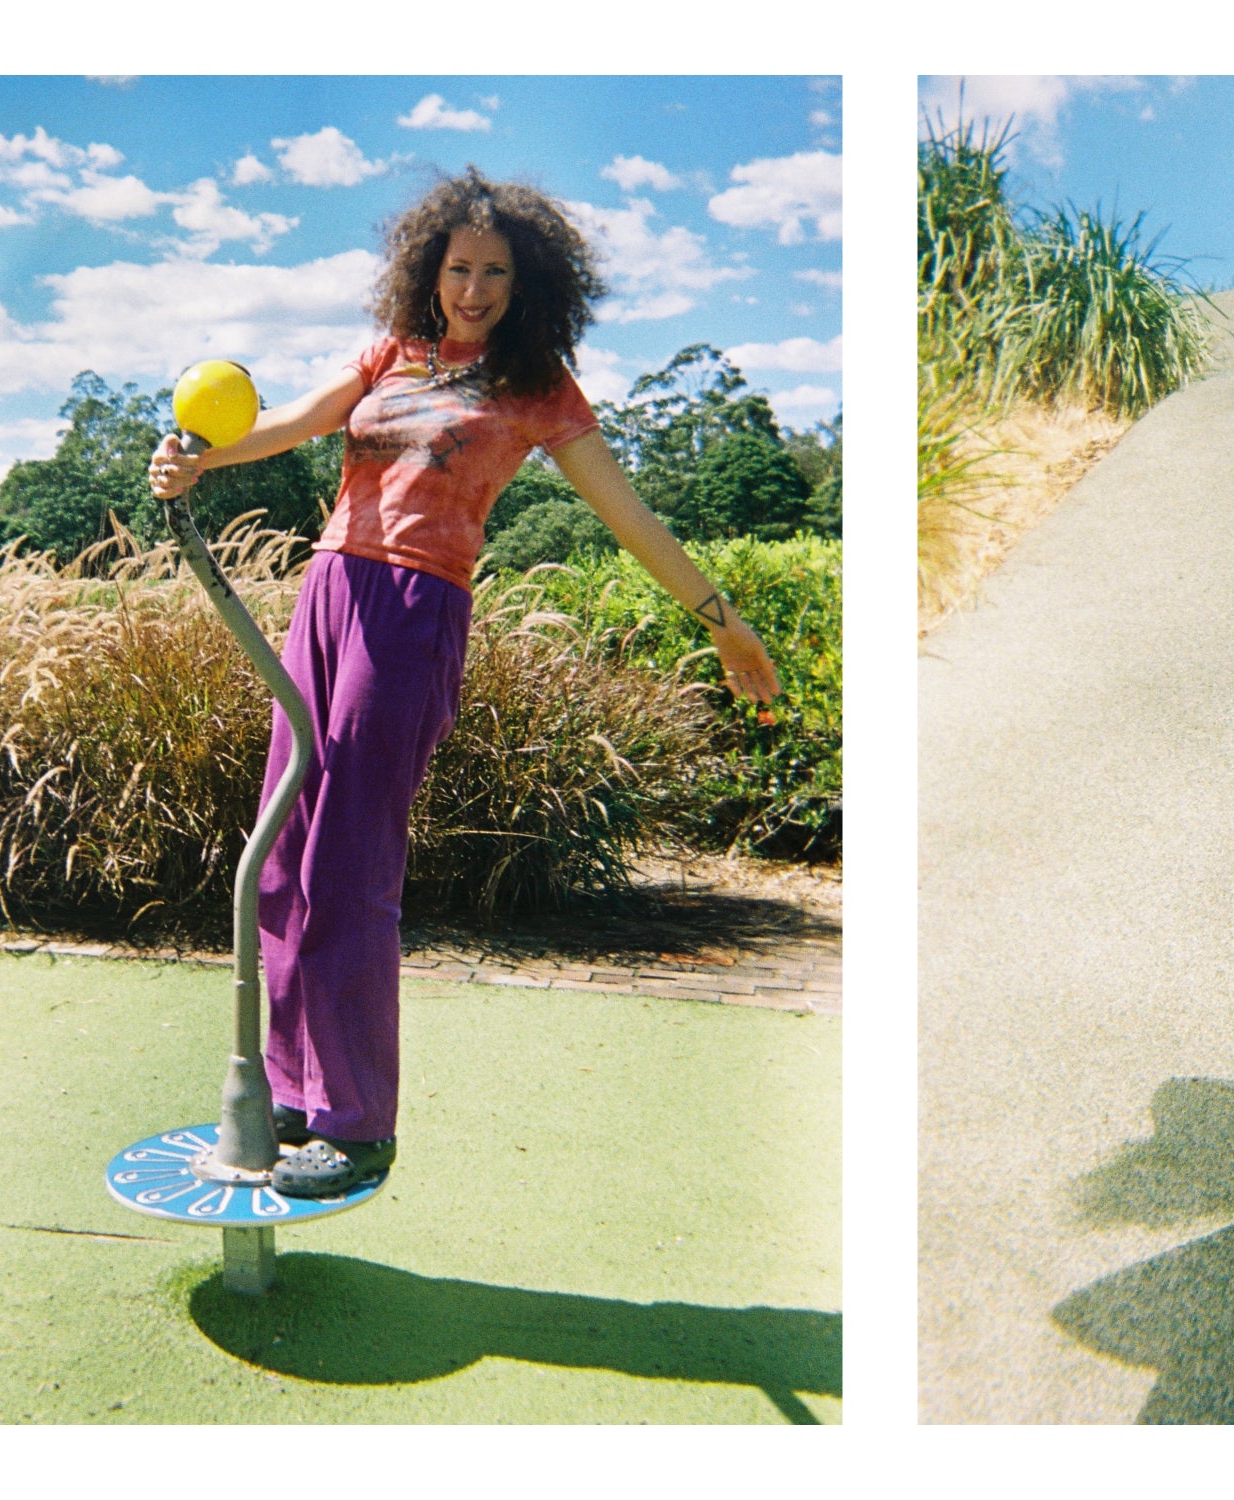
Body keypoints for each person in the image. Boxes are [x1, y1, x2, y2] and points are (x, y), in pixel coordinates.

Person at [147, 169, 783, 1198]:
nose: (475, 289)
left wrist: (722, 622)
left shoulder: (537, 387)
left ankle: (357, 1125)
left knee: (349, 865)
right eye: (459, 269)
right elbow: (301, 422)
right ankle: (298, 1096)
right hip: (328, 592)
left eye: (495, 272)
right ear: (428, 272)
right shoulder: (393, 353)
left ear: (529, 282)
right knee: (282, 857)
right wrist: (202, 464)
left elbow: (629, 517)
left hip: (410, 615)